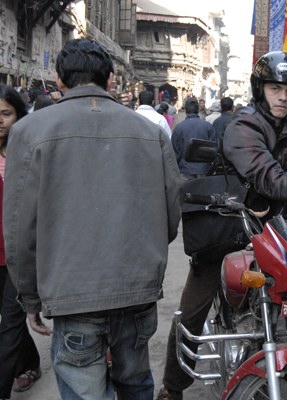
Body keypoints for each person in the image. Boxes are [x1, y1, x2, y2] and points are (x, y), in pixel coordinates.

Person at [157, 51, 287, 400]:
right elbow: (271, 179)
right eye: (274, 88)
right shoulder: (243, 127)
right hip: (228, 226)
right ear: (261, 89)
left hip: (274, 230)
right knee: (191, 311)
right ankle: (172, 385)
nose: (282, 96)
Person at [3, 39, 181, 400]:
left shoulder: (30, 131)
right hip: (136, 290)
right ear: (110, 77)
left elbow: (20, 227)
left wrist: (29, 296)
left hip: (73, 293)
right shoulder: (150, 132)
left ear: (60, 78)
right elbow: (171, 214)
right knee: (136, 383)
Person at [0, 83, 42, 399]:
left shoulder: (28, 149)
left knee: (10, 324)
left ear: (18, 114)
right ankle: (30, 361)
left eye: (6, 113)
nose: (0, 120)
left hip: (16, 252)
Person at [170, 97, 217, 179]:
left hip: (185, 171)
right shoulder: (208, 126)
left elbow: (175, 152)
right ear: (198, 110)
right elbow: (214, 149)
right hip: (204, 170)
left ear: (186, 110)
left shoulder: (179, 128)